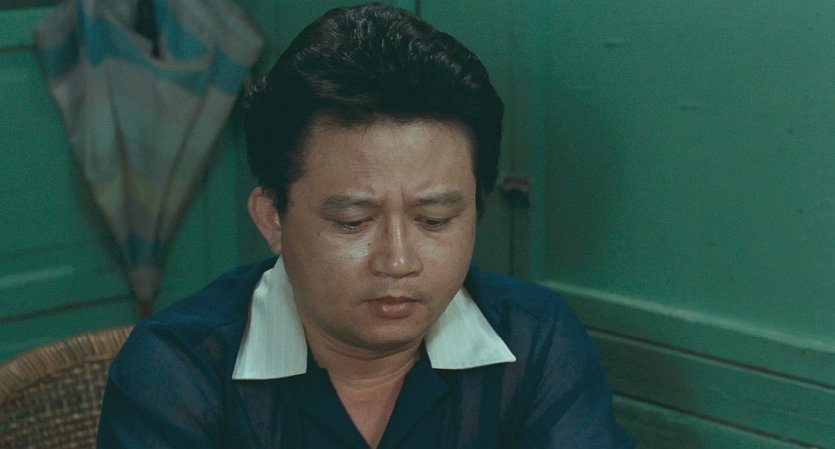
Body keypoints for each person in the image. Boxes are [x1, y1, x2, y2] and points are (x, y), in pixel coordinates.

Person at [97, 3, 634, 448]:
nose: (398, 261)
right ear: (272, 217)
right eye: (353, 222)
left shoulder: (534, 340)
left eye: (434, 219)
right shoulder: (177, 371)